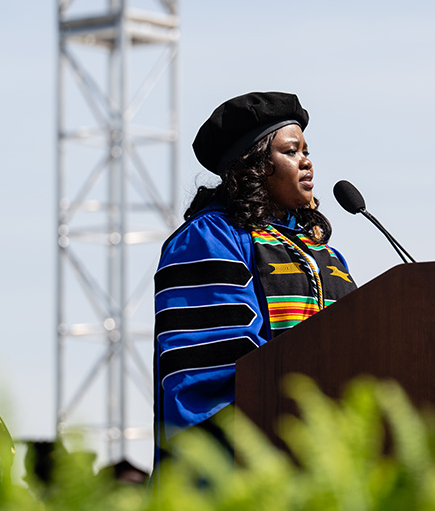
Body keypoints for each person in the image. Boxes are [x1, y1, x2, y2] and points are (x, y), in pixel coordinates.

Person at [153, 91, 358, 468]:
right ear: (255, 166)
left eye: (306, 151)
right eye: (291, 151)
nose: (307, 162)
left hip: (331, 461)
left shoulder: (323, 254)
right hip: (242, 466)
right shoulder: (210, 237)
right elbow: (210, 370)